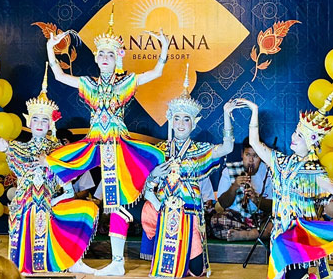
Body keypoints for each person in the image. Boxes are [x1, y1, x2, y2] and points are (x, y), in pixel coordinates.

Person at [44, 6, 168, 276]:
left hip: (115, 146)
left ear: (118, 58)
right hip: (92, 143)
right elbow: (59, 76)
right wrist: (50, 51)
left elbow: (156, 73)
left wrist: (164, 49)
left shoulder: (125, 83)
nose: (104, 57)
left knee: (116, 203)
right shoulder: (89, 83)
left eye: (110, 54)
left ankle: (117, 262)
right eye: (101, 53)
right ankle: (71, 247)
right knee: (56, 169)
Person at [0, 64, 98, 275]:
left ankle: (72, 259)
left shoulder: (57, 151)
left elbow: (68, 190)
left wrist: (52, 194)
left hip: (47, 207)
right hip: (23, 208)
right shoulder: (17, 147)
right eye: (36, 119)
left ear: (50, 123)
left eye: (44, 120)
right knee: (22, 267)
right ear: (29, 122)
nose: (40, 123)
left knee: (87, 210)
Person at [140, 65, 241, 278]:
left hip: (190, 211)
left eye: (186, 119)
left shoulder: (199, 149)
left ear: (194, 123)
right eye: (177, 118)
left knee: (195, 268)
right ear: (171, 120)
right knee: (168, 267)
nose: (181, 123)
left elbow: (227, 148)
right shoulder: (159, 151)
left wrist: (225, 115)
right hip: (166, 211)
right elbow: (144, 183)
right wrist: (153, 177)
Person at [238, 96, 333, 279]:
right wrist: (254, 111)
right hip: (280, 233)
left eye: (299, 135)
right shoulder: (281, 162)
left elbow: (329, 199)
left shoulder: (316, 173)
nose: (293, 137)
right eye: (295, 132)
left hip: (301, 239)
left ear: (311, 141)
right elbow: (256, 144)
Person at [211, 137, 273, 241]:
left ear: (261, 156)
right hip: (236, 217)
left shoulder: (269, 173)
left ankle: (248, 235)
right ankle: (259, 233)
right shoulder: (229, 170)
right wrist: (234, 187)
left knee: (276, 223)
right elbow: (223, 203)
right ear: (242, 154)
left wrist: (257, 200)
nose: (251, 160)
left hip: (259, 218)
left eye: (255, 156)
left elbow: (272, 206)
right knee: (216, 221)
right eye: (247, 155)